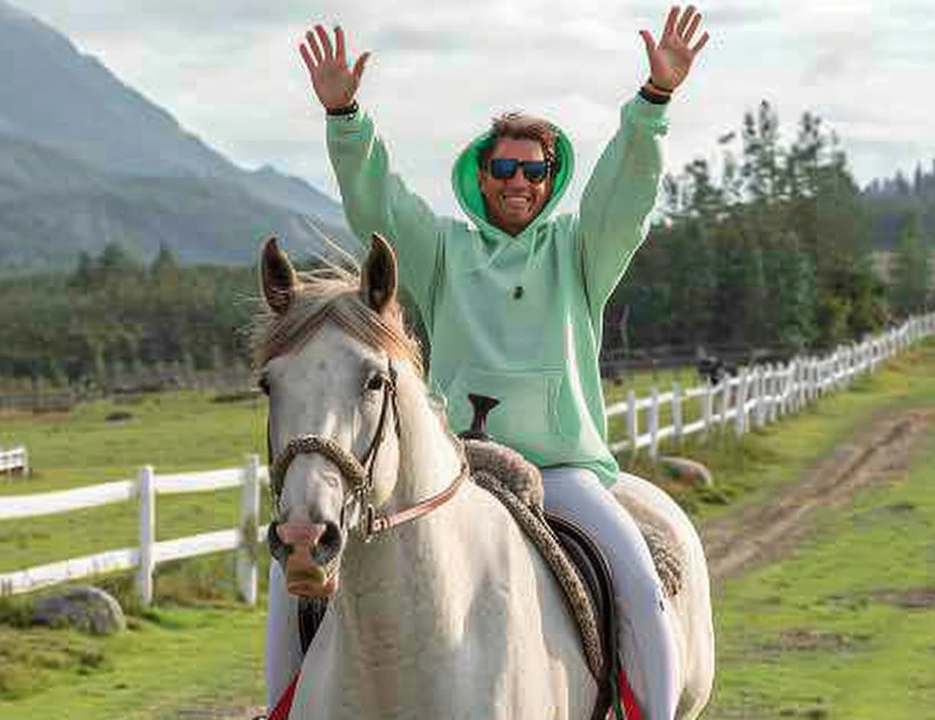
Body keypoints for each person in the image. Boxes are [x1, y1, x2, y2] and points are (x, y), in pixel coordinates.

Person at [266, 6, 710, 720]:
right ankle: (281, 707)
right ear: (481, 174)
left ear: (550, 178)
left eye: (534, 170)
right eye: (503, 167)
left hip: (564, 471)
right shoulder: (444, 251)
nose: (518, 181)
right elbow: (378, 203)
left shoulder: (581, 252)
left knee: (641, 589)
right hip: (458, 470)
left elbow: (624, 196)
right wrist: (346, 116)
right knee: (291, 586)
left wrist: (653, 104)